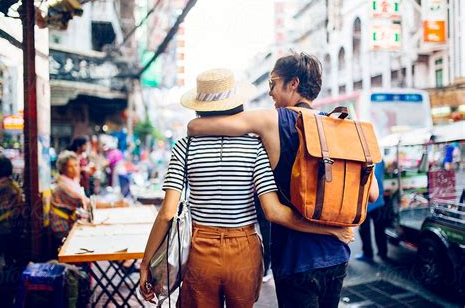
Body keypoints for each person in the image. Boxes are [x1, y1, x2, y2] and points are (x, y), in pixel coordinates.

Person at [139, 68, 354, 307]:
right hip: (245, 251)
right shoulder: (255, 148)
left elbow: (168, 213)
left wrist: (146, 262)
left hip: (200, 250)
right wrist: (330, 230)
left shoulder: (185, 147)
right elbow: (274, 211)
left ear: (199, 105)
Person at [188, 53, 379, 307]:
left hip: (295, 259)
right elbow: (373, 193)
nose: (270, 92)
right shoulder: (342, 126)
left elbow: (196, 127)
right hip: (337, 255)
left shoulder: (272, 120)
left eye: (273, 83)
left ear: (293, 84)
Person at [50, 150, 128, 255]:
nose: (75, 169)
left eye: (76, 165)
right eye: (70, 167)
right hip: (63, 229)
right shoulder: (63, 186)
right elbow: (86, 202)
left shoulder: (72, 181)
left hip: (72, 223)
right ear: (62, 169)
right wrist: (114, 205)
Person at [0, 153, 27, 307]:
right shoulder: (6, 185)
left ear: (2, 169)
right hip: (5, 236)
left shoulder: (3, 188)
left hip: (2, 237)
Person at [357, 160, 388, 263]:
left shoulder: (361, 158)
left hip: (365, 201)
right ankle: (383, 252)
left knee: (364, 229)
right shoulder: (380, 159)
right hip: (379, 200)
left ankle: (368, 254)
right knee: (380, 228)